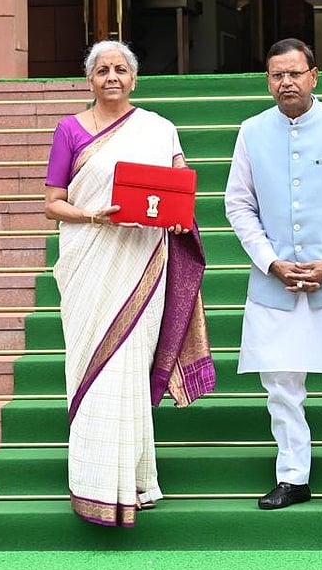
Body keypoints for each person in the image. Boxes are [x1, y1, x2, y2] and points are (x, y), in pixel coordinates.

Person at [43, 39, 215, 527]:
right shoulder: (69, 130)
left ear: (134, 79)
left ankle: (135, 482)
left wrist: (179, 218)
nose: (112, 77)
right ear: (89, 80)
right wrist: (91, 216)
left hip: (143, 262)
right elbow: (53, 203)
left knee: (129, 367)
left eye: (120, 69)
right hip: (89, 261)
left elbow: (179, 193)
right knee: (92, 365)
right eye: (102, 70)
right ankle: (94, 484)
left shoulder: (159, 129)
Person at [223, 37, 322, 513]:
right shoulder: (251, 132)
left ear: (314, 76)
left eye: (295, 73)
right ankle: (292, 477)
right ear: (267, 81)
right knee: (281, 383)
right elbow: (238, 204)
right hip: (275, 279)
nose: (286, 83)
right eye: (277, 75)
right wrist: (269, 261)